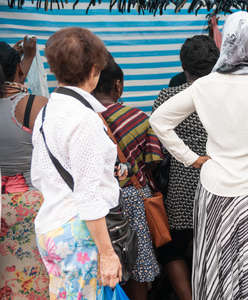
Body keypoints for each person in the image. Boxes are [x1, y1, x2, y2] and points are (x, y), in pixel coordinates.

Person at [150, 12, 248, 299]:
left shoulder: (205, 85)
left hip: (214, 192)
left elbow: (159, 120)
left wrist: (189, 158)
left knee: (222, 270)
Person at [31, 27, 122, 298]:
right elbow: (88, 194)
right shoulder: (83, 119)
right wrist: (107, 254)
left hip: (53, 227)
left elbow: (40, 176)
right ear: (95, 69)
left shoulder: (48, 111)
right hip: (78, 233)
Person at [152, 35, 219, 300]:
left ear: (184, 66)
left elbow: (159, 137)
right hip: (219, 183)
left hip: (182, 186)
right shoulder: (225, 97)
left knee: (172, 248)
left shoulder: (168, 96)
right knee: (214, 245)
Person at [93, 53, 162, 300]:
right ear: (118, 85)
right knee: (139, 264)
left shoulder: (84, 118)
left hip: (97, 203)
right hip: (133, 199)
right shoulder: (139, 118)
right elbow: (154, 160)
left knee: (106, 262)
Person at [0, 39, 49, 299]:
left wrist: (21, 61)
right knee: (33, 279)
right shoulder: (34, 106)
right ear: (18, 70)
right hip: (32, 205)